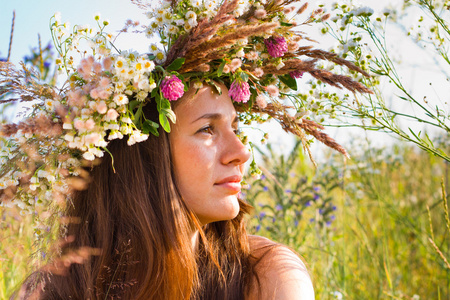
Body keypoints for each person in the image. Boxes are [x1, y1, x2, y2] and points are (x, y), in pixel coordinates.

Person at [1, 0, 371, 298]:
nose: (241, 152)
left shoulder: (266, 277)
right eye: (208, 129)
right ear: (143, 154)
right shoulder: (53, 291)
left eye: (235, 127)